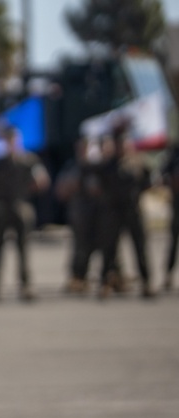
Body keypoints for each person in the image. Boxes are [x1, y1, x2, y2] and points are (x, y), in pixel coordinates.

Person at [0, 125, 50, 302]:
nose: (11, 143)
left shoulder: (29, 160)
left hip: (21, 205)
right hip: (2, 206)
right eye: (8, 140)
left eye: (13, 140)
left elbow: (41, 181)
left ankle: (25, 285)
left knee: (23, 248)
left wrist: (26, 191)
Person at [96, 123, 154, 299]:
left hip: (133, 210)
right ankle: (105, 282)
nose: (121, 147)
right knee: (109, 249)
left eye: (124, 144)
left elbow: (148, 182)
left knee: (139, 248)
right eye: (118, 144)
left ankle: (146, 282)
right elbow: (99, 187)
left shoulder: (137, 164)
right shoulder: (107, 165)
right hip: (113, 211)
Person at [55, 137, 103, 294]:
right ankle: (77, 277)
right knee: (80, 247)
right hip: (79, 212)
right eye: (81, 148)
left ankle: (110, 276)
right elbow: (60, 190)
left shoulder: (98, 166)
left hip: (98, 212)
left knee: (105, 245)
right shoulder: (71, 167)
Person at [161, 143, 179, 292]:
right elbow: (164, 173)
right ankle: (167, 274)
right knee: (173, 241)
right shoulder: (175, 153)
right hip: (177, 204)